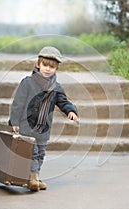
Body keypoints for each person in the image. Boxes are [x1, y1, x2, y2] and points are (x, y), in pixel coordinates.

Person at [9, 46, 78, 192]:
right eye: (45, 65)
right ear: (38, 64)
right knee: (31, 152)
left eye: (51, 67)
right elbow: (18, 103)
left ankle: (35, 177)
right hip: (27, 126)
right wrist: (14, 121)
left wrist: (70, 111)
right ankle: (33, 177)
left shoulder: (57, 88)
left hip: (43, 128)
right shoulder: (27, 82)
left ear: (56, 68)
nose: (47, 69)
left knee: (40, 153)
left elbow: (63, 101)